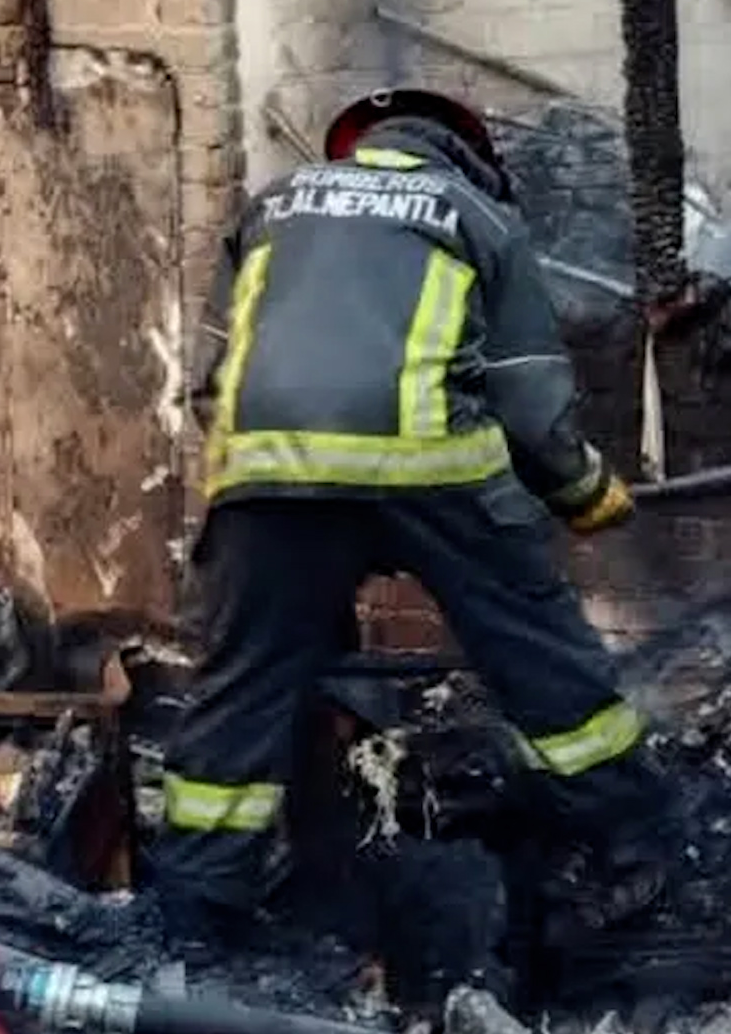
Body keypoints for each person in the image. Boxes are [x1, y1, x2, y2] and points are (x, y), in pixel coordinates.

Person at [152, 87, 681, 945]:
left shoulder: (271, 207)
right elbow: (530, 402)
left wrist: (279, 498)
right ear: (467, 153)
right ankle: (636, 847)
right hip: (436, 473)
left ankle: (194, 912)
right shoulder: (478, 215)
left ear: (359, 146)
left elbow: (216, 376)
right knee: (539, 656)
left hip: (269, 476)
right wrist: (584, 493)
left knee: (246, 682)